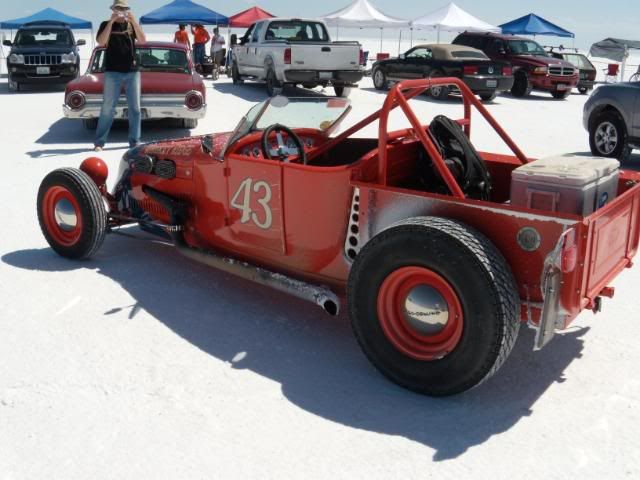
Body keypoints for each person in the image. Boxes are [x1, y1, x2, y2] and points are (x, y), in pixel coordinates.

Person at [94, 0, 146, 151]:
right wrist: (111, 22)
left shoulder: (131, 25)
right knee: (107, 108)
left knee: (135, 108)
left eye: (123, 9)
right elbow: (101, 42)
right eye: (118, 8)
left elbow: (143, 40)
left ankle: (135, 142)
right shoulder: (105, 24)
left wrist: (134, 21)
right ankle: (99, 142)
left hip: (132, 71)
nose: (120, 11)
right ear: (113, 10)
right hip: (112, 71)